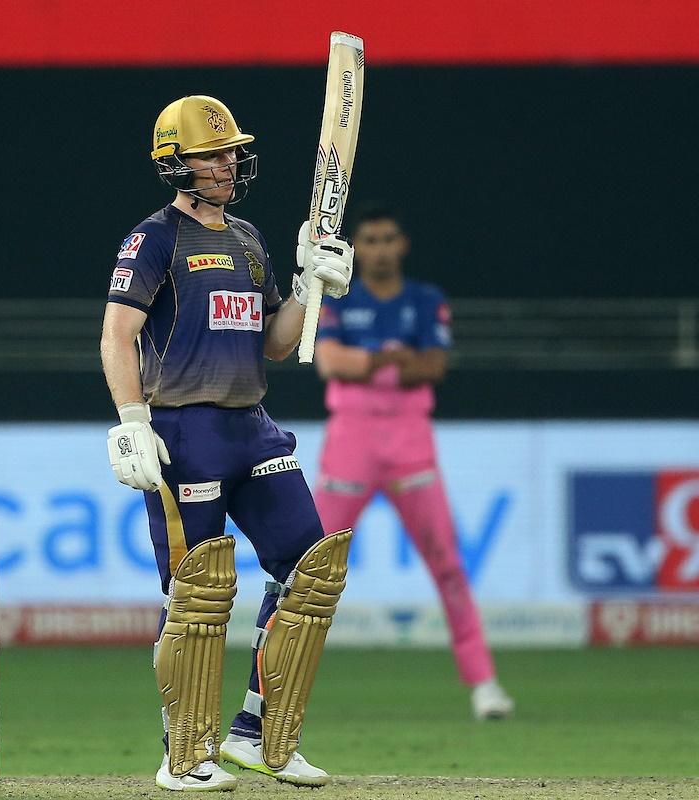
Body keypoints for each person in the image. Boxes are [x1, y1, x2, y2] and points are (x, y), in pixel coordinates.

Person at [99, 94, 355, 791]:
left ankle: (256, 733)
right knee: (198, 594)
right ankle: (183, 757)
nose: (228, 162)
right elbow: (117, 334)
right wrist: (132, 421)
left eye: (232, 151)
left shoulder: (246, 239)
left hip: (252, 425)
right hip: (186, 430)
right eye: (212, 153)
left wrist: (311, 286)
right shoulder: (153, 239)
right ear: (175, 163)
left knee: (311, 568)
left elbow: (275, 343)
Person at [312, 206, 515, 721]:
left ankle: (484, 684)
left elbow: (433, 367)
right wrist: (390, 360)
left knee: (447, 563)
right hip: (351, 437)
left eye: (388, 239)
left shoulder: (426, 300)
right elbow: (330, 362)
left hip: (409, 440)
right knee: (309, 568)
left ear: (402, 245)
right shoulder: (338, 296)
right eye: (370, 240)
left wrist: (371, 361)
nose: (379, 249)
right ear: (357, 248)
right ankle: (273, 688)